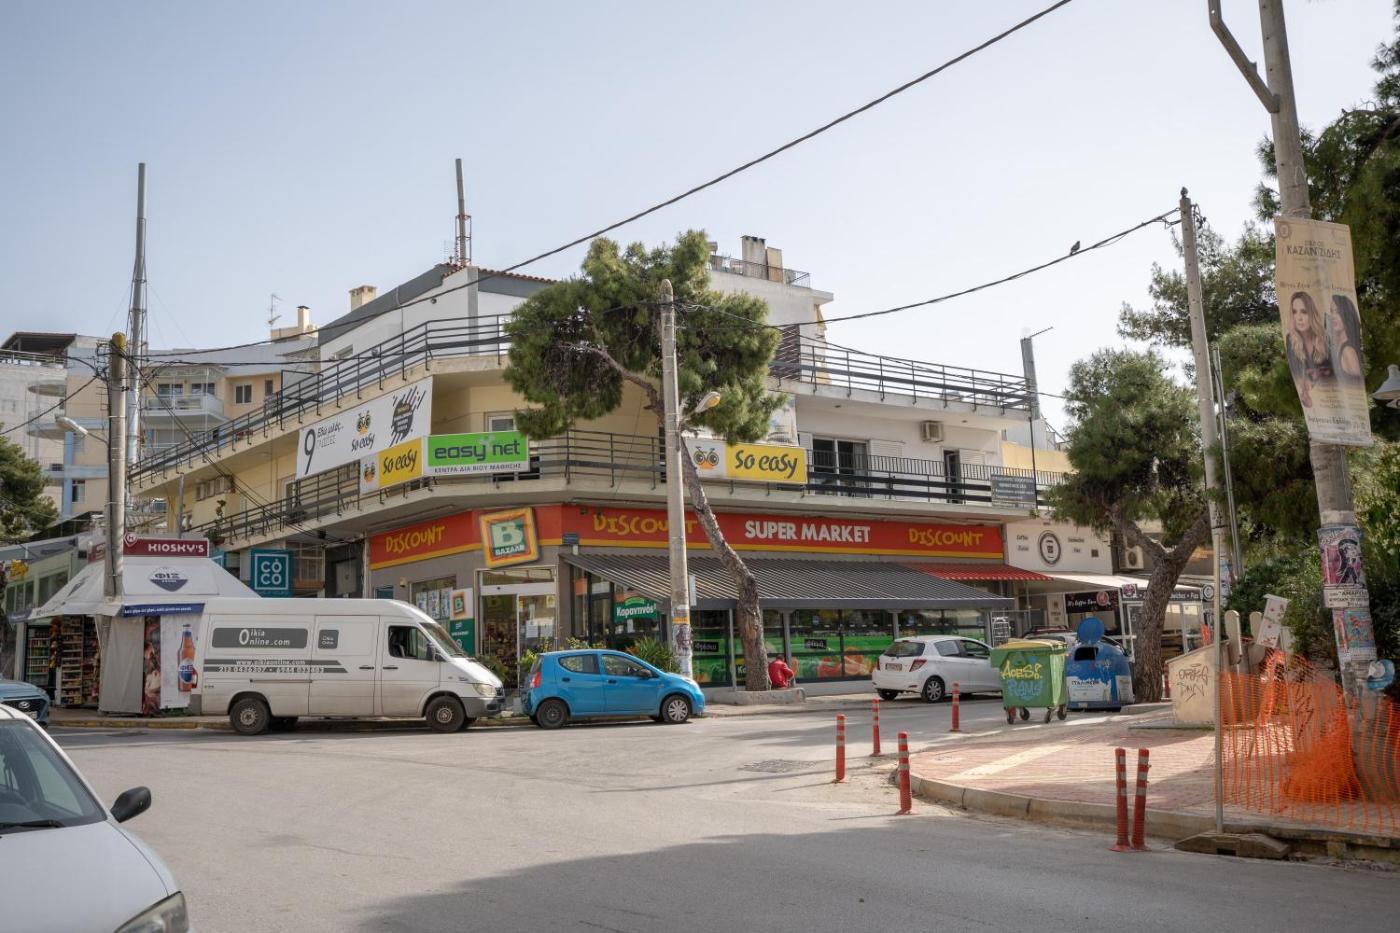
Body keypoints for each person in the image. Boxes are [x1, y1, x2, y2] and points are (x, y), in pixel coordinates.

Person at [1284, 291, 1332, 408]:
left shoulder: (1325, 338)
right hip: (1312, 406)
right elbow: (1296, 374)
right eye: (1294, 312)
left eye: (1304, 312)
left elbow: (1335, 373)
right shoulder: (1291, 339)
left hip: (1331, 399)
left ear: (1312, 314)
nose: (1299, 318)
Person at [1328, 294, 1364, 384]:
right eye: (1331, 311)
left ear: (1347, 315)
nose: (1333, 316)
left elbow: (1358, 386)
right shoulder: (1337, 347)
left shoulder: (1348, 351)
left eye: (1338, 312)